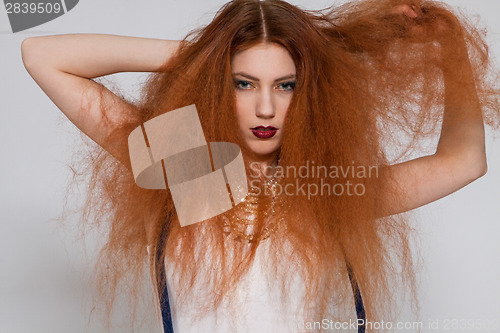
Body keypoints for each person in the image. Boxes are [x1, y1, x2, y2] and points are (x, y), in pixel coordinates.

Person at [21, 0, 500, 332]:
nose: (266, 108)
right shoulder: (192, 174)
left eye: (286, 85)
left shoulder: (327, 191)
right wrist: (207, 53)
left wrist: (451, 54)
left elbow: (464, 161)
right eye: (244, 83)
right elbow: (42, 55)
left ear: (308, 90)